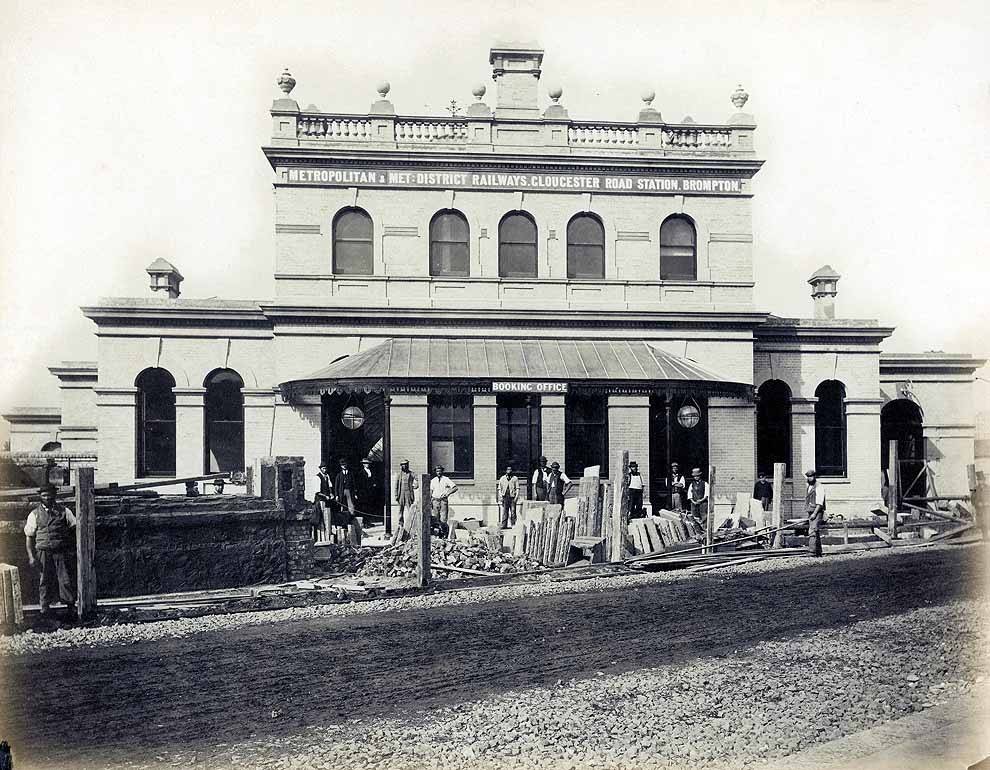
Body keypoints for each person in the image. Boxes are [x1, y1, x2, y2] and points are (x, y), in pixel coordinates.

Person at [24, 484, 77, 618]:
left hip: (61, 551)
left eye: (50, 494)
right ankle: (44, 609)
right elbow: (29, 537)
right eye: (44, 495)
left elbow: (75, 529)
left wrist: (71, 548)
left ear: (55, 495)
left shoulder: (65, 511)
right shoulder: (34, 514)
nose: (47, 497)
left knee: (65, 579)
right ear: (40, 497)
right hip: (43, 552)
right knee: (44, 579)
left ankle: (70, 607)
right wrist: (31, 557)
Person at [393, 459, 419, 542]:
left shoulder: (411, 473)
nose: (404, 466)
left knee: (410, 510)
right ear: (401, 466)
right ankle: (401, 524)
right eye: (403, 465)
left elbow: (418, 479)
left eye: (406, 464)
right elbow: (396, 486)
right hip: (401, 494)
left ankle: (410, 525)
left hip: (409, 494)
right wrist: (396, 495)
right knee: (400, 511)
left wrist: (416, 485)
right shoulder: (399, 474)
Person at [429, 465, 458, 537]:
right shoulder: (433, 480)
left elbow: (455, 488)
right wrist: (430, 501)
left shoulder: (446, 479)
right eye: (437, 471)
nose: (438, 472)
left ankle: (444, 534)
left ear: (442, 471)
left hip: (443, 501)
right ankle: (437, 535)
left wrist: (447, 493)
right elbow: (430, 491)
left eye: (440, 471)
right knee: (435, 518)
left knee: (443, 519)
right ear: (435, 472)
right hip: (435, 500)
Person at [804, 469, 827, 557]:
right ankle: (818, 552)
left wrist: (814, 513)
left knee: (812, 531)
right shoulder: (809, 486)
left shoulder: (819, 487)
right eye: (809, 477)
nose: (810, 478)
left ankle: (812, 552)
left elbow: (820, 503)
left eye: (812, 476)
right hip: (811, 511)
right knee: (815, 531)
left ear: (815, 477)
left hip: (816, 512)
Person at [314, 461, 334, 540]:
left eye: (325, 468)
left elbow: (330, 486)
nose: (325, 470)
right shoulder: (317, 477)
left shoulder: (327, 476)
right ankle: (322, 538)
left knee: (327, 518)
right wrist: (325, 496)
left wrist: (331, 494)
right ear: (320, 469)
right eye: (323, 468)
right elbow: (317, 492)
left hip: (327, 501)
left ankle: (328, 536)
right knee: (322, 519)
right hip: (321, 501)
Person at [687, 467, 710, 534]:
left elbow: (707, 494)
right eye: (695, 476)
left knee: (704, 517)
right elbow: (689, 494)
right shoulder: (692, 484)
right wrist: (693, 501)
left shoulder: (705, 484)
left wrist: (701, 500)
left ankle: (705, 531)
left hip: (703, 503)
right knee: (694, 517)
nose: (696, 477)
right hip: (694, 503)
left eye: (697, 476)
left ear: (700, 476)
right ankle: (698, 532)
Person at [359, 458, 380, 522]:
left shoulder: (372, 471)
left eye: (368, 463)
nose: (367, 465)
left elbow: (374, 480)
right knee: (365, 507)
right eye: (365, 463)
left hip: (371, 492)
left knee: (370, 507)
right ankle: (365, 522)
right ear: (363, 464)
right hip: (364, 493)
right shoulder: (361, 472)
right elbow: (361, 483)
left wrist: (374, 484)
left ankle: (369, 521)